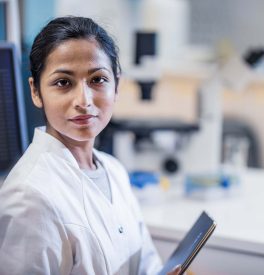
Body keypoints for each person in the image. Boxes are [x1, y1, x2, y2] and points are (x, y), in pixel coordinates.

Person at [0, 16, 182, 275]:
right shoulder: (29, 196)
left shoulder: (114, 171)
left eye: (97, 80)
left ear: (116, 85)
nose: (83, 100)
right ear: (36, 91)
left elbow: (145, 264)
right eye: (63, 83)